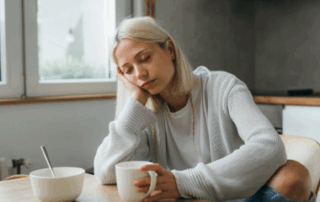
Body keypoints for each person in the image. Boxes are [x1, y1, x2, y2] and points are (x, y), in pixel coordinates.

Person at [94, 16, 316, 202]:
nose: (139, 74)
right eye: (128, 70)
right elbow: (106, 173)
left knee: (293, 175)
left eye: (145, 58)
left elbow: (270, 147)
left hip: (237, 197)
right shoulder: (143, 113)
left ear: (169, 49)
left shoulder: (223, 86)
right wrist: (135, 102)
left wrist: (183, 182)